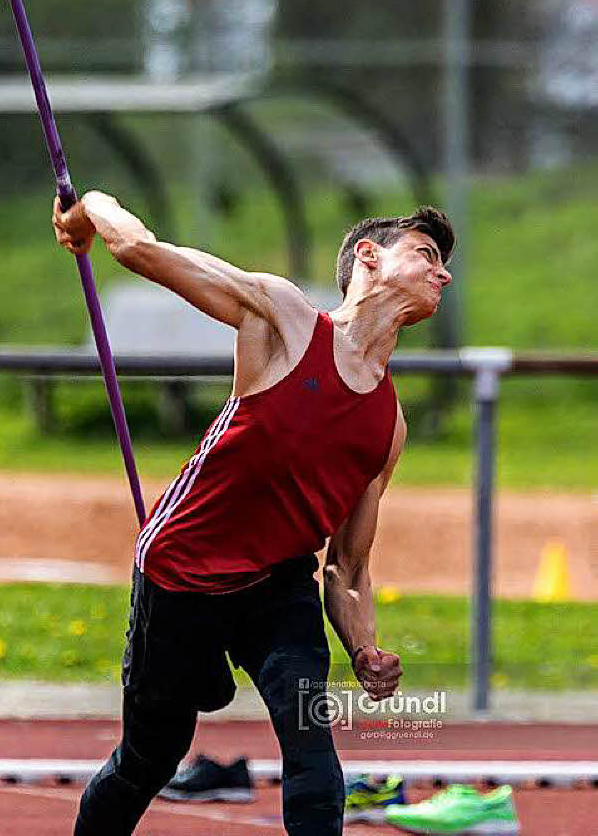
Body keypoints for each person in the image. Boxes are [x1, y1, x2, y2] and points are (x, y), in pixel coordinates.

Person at [52, 192, 454, 836]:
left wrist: (364, 647)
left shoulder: (389, 423)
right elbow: (140, 250)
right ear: (370, 258)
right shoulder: (284, 317)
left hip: (277, 588)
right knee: (149, 759)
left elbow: (348, 566)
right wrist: (88, 207)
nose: (444, 273)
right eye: (427, 254)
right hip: (181, 573)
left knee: (312, 751)